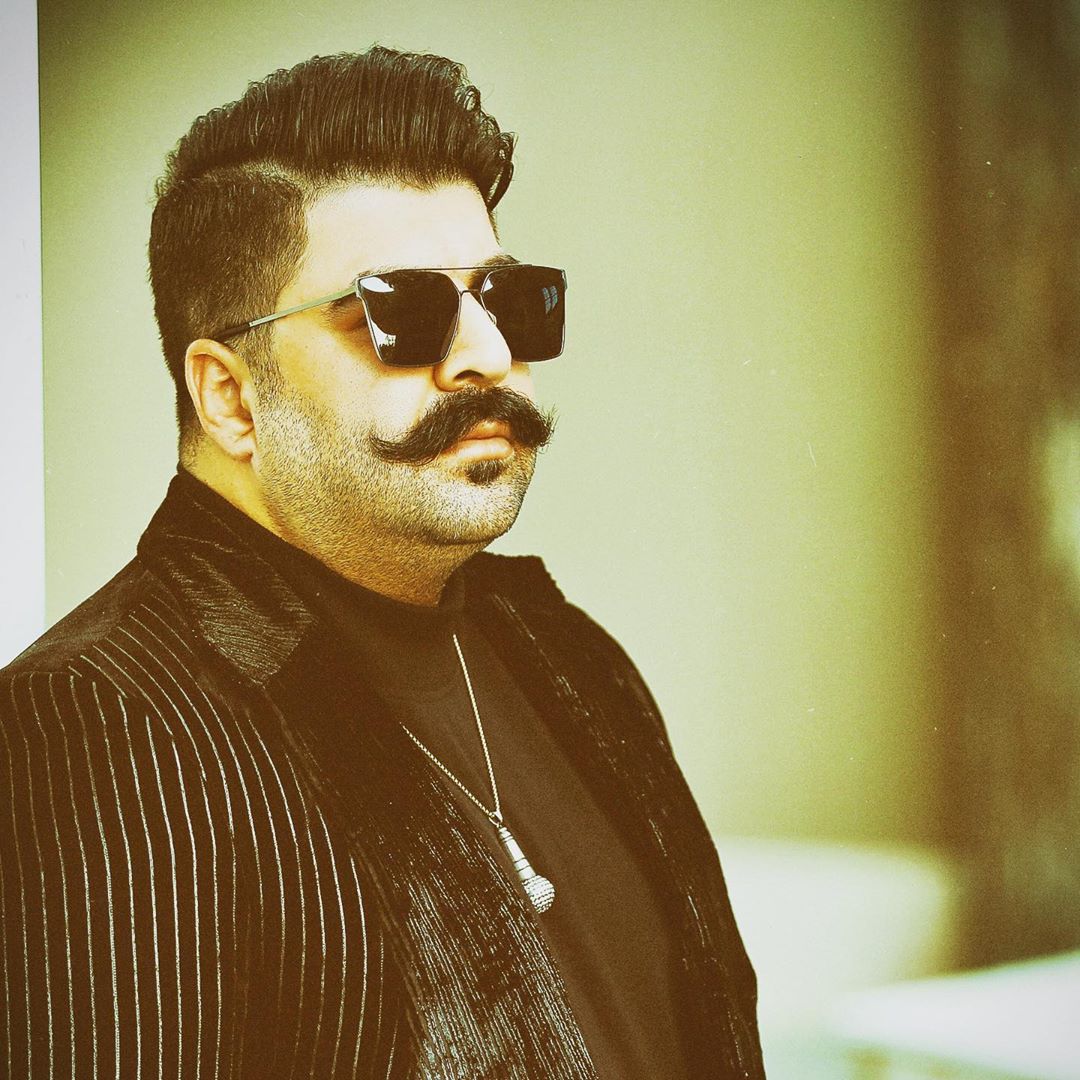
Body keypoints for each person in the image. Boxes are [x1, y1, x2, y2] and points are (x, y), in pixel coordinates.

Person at [0, 47, 764, 1079]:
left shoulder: (570, 653)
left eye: (510, 298)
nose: (487, 355)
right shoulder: (99, 720)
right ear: (229, 396)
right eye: (400, 311)